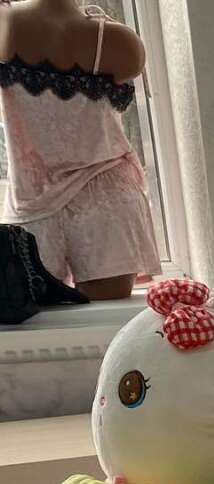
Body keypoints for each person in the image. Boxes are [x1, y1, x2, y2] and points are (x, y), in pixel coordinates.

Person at [0, 0, 160, 300]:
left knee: (34, 317)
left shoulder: (5, 23)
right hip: (106, 198)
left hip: (33, 198)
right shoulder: (120, 40)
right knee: (109, 319)